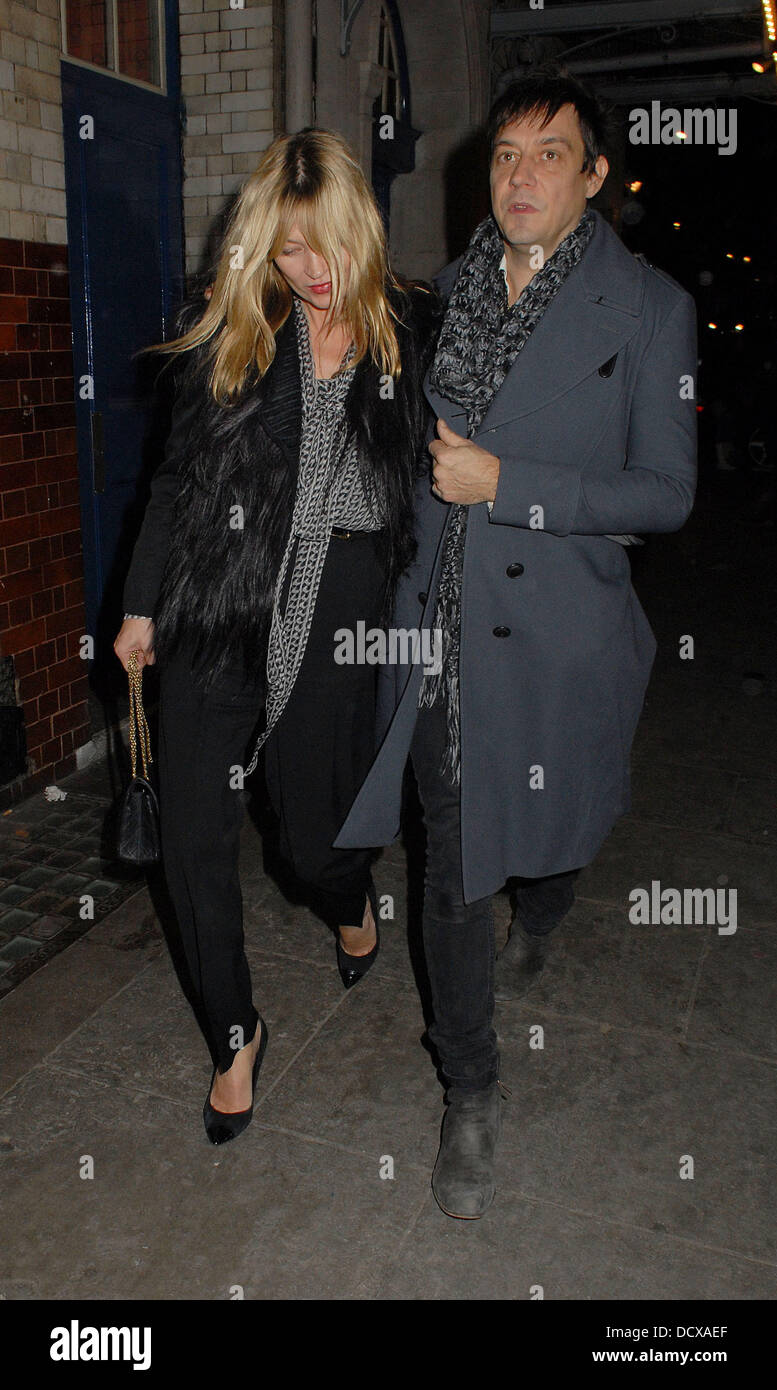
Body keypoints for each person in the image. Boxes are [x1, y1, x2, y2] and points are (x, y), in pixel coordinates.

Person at [335, 68, 698, 1218]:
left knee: (548, 837)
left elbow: (667, 494)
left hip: (558, 632)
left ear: (595, 177)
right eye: (504, 154)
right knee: (449, 861)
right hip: (437, 631)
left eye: (550, 154)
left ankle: (549, 895)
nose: (521, 174)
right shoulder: (441, 297)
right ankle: (472, 1089)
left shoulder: (649, 310)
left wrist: (513, 487)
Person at [114, 128, 438, 1145]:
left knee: (309, 843)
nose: (314, 272)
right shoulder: (233, 332)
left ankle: (348, 894)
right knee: (195, 853)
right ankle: (235, 1034)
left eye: (331, 244)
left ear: (362, 231)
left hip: (337, 612)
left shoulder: (409, 332)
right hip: (219, 608)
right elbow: (170, 483)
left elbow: (441, 478)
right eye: (291, 249)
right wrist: (137, 605)